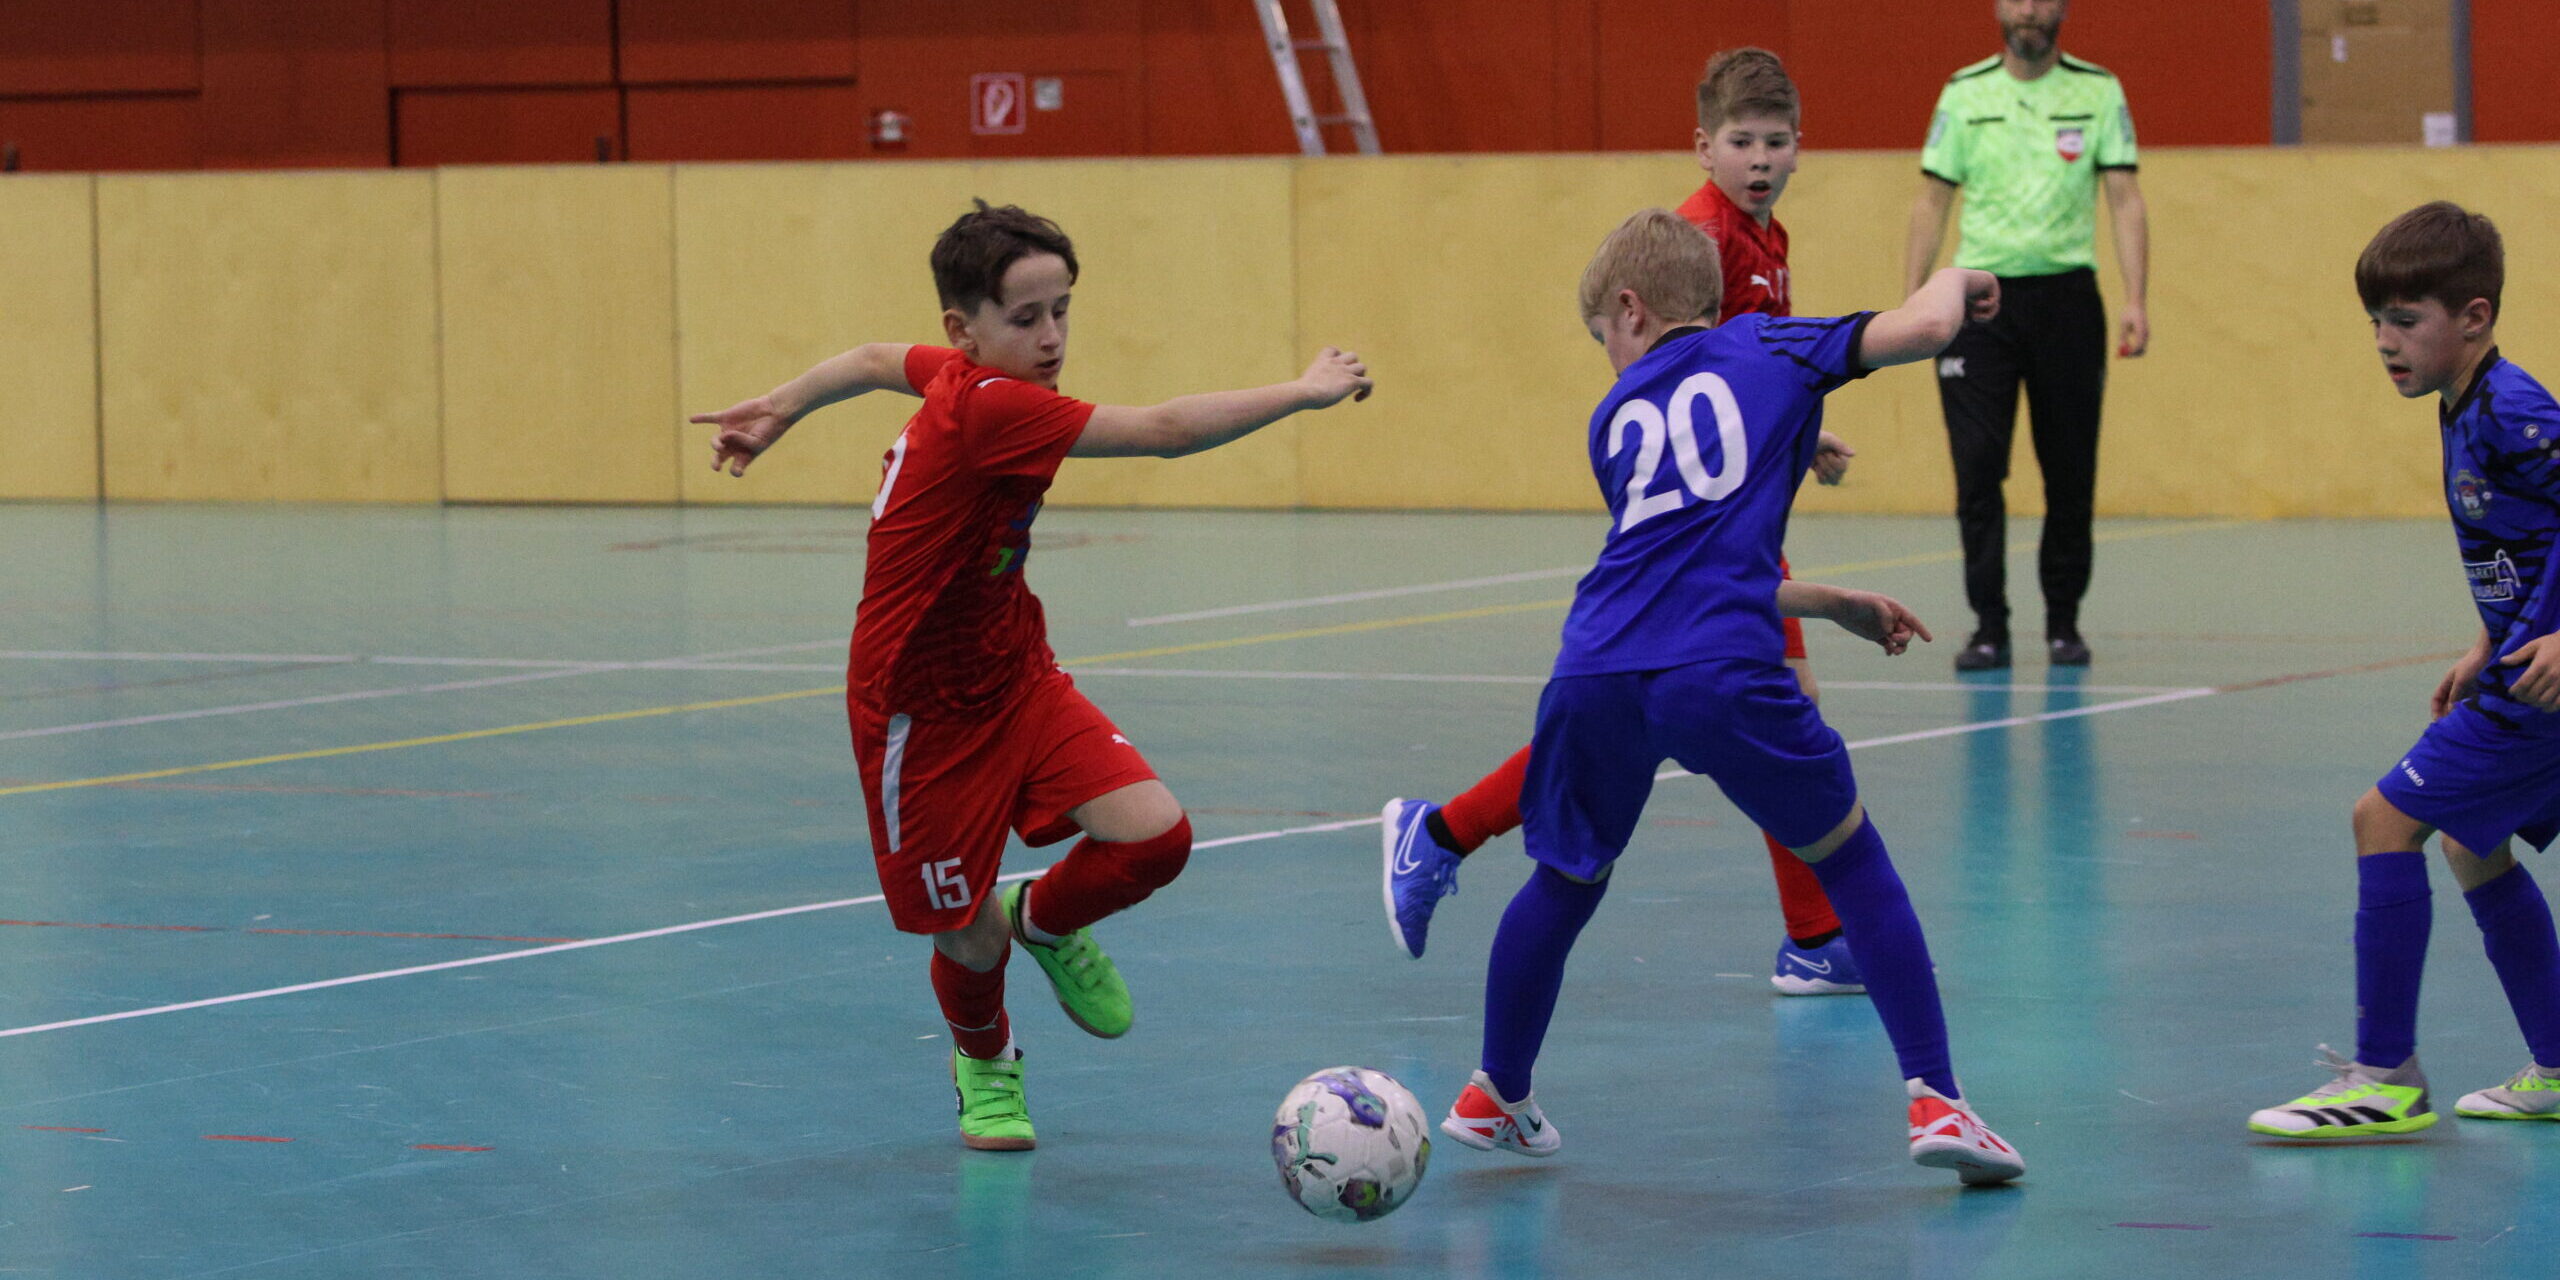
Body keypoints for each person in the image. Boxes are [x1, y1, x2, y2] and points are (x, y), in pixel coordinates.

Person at [692, 201, 1371, 1151]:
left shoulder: (959, 370)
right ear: (966, 330)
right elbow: (1168, 430)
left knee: (1155, 838)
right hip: (918, 712)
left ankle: (1043, 920)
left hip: (1014, 671)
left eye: (1063, 311)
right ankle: (986, 1064)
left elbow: (873, 359)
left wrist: (781, 406)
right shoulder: (991, 407)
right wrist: (1303, 391)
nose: (1052, 338)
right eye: (1027, 319)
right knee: (964, 936)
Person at [1438, 208, 2025, 1186]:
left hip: (1590, 670)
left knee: (1565, 878)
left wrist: (1826, 600)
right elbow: (1923, 330)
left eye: (1601, 341)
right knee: (1852, 858)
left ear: (1630, 309)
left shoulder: (1612, 421)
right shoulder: (1773, 345)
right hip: (1720, 667)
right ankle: (1937, 1098)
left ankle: (1494, 1090)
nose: (1606, 360)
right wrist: (1959, 274)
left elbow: (1668, 569)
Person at [1382, 49, 1866, 998]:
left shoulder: (1771, 240)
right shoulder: (1698, 239)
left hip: (1739, 521)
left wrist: (1804, 438)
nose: (1758, 160)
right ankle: (1440, 832)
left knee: (1712, 717)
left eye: (1774, 143)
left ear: (1801, 149)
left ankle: (1811, 933)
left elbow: (1751, 371)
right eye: (1740, 143)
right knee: (1740, 713)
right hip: (1697, 527)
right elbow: (1675, 368)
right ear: (1703, 148)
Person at [2249, 204, 2560, 1138]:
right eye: (2375, 323)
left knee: (2384, 819)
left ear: (2473, 316)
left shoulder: (2513, 407)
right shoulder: (2462, 404)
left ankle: (2384, 1077)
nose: (2385, 342)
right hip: (2517, 671)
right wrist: (2487, 637)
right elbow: (2531, 535)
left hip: (2541, 694)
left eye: (2406, 321)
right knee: (2471, 842)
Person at [1905, 0, 2149, 671]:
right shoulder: (1965, 92)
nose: (2031, 11)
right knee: (1978, 470)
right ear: (1998, 8)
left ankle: (2063, 623)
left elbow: (2124, 197)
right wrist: (1915, 302)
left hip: (2068, 301)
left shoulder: (2097, 91)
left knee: (2070, 472)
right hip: (1979, 304)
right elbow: (1932, 201)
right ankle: (1989, 626)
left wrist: (2135, 299)